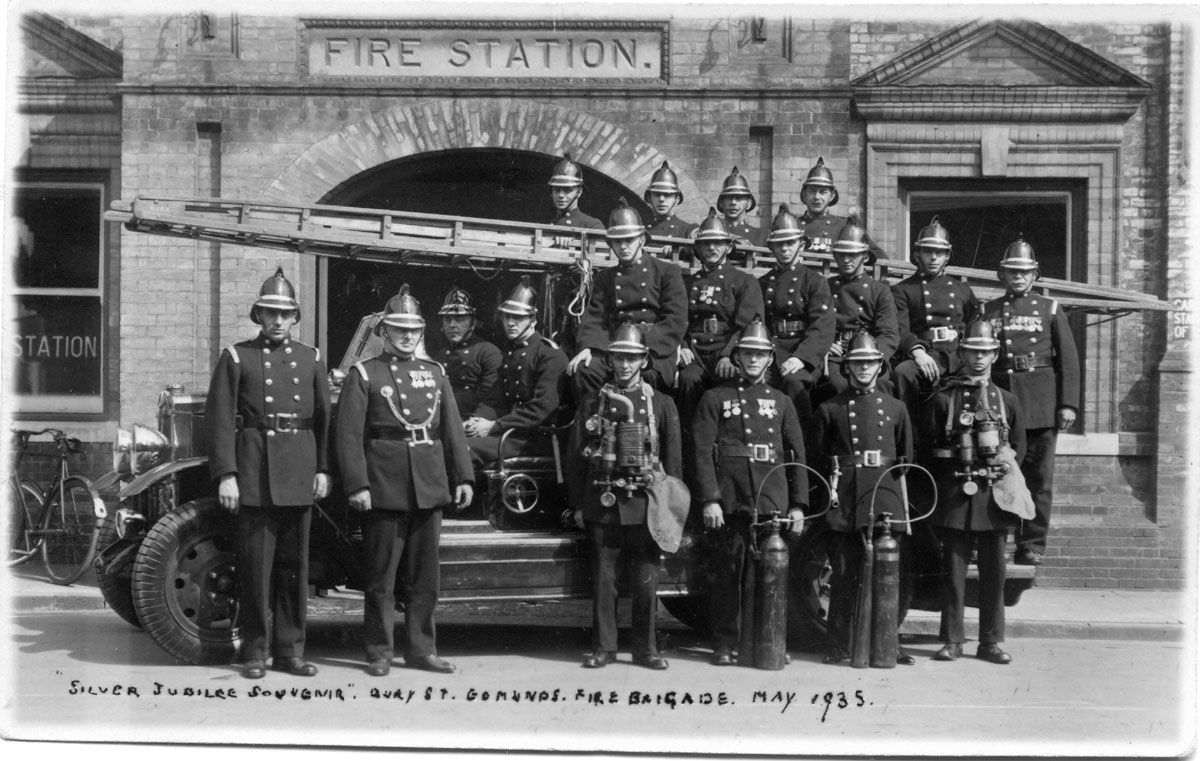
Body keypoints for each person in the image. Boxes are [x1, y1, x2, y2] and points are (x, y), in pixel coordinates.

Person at [334, 285, 474, 677]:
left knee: (425, 577)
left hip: (429, 482)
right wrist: (357, 484)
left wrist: (463, 476)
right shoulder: (365, 373)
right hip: (384, 484)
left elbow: (452, 429)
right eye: (399, 329)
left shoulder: (436, 373)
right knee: (382, 577)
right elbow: (348, 435)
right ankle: (379, 652)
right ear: (384, 331)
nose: (407, 336)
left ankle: (422, 649)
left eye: (414, 329)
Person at [205, 267, 331, 680]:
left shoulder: (311, 358)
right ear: (258, 315)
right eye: (270, 313)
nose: (278, 320)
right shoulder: (236, 356)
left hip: (298, 471)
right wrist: (227, 474)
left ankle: (290, 652)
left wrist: (323, 469)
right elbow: (220, 419)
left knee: (294, 570)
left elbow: (323, 420)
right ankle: (255, 652)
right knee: (256, 570)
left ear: (295, 317)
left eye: (285, 313)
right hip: (256, 472)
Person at [567, 323, 683, 671]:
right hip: (604, 502)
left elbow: (674, 460)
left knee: (646, 582)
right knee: (605, 581)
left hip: (646, 503)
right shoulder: (592, 402)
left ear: (644, 360)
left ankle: (646, 650)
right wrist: (577, 505)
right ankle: (604, 648)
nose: (625, 365)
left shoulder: (661, 404)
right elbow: (575, 456)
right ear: (610, 359)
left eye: (632, 358)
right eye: (619, 357)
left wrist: (670, 509)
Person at [692, 319, 807, 666]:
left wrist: (798, 504)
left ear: (770, 359)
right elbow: (701, 451)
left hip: (771, 496)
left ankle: (768, 639)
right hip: (731, 497)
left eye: (760, 354)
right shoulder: (715, 398)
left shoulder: (782, 401)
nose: (753, 360)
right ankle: (725, 643)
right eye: (747, 354)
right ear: (737, 357)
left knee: (769, 575)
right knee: (729, 573)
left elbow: (797, 455)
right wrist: (710, 498)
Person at [922, 320, 1026, 665]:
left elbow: (1019, 449)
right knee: (953, 574)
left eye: (985, 352)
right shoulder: (943, 400)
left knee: (994, 575)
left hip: (995, 498)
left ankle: (990, 642)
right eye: (972, 352)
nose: (979, 358)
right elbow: (926, 449)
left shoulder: (1007, 401)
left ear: (995, 355)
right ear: (962, 354)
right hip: (956, 496)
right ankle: (952, 640)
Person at [813, 332, 915, 666]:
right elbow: (818, 457)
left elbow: (906, 457)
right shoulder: (830, 409)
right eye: (857, 363)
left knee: (887, 575)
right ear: (847, 367)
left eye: (870, 362)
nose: (864, 368)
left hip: (884, 494)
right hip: (845, 496)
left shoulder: (897, 408)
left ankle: (887, 642)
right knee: (844, 574)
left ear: (879, 366)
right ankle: (838, 644)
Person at [984, 237, 1080, 567]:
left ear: (1035, 275)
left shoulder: (1050, 308)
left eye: (1024, 272)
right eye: (1012, 271)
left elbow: (1068, 359)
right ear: (1002, 274)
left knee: (1038, 478)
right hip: (1002, 404)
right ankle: (995, 539)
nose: (1018, 277)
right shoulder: (988, 311)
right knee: (998, 472)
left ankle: (1032, 544)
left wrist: (1067, 404)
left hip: (1041, 403)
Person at [569, 198, 688, 400]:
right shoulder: (605, 277)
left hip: (653, 350)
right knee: (584, 370)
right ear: (611, 244)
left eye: (629, 240)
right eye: (617, 241)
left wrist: (640, 350)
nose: (623, 246)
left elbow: (675, 320)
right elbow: (595, 318)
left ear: (642, 239)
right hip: (615, 349)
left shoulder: (667, 272)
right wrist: (589, 347)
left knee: (644, 376)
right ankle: (594, 418)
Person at [891, 217, 982, 435]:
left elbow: (975, 322)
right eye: (927, 252)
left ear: (947, 256)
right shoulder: (903, 290)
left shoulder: (961, 289)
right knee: (903, 372)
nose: (933, 257)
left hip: (957, 355)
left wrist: (969, 352)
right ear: (917, 254)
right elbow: (901, 329)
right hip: (926, 354)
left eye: (939, 253)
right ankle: (910, 436)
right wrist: (918, 352)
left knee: (979, 378)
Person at [464, 277, 569, 466]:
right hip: (508, 432)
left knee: (462, 449)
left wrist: (494, 426)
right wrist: (476, 421)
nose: (511, 323)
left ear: (533, 320)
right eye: (506, 317)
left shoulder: (549, 354)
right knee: (452, 440)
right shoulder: (512, 352)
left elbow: (541, 408)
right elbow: (495, 400)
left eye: (518, 318)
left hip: (532, 437)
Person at [675, 208, 765, 426]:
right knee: (687, 379)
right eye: (706, 244)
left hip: (725, 349)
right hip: (696, 350)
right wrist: (683, 346)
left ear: (729, 247)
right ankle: (690, 439)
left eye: (718, 243)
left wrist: (729, 355)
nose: (712, 248)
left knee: (732, 382)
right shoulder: (688, 283)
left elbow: (748, 325)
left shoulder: (744, 281)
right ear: (698, 248)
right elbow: (679, 319)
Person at [758, 203, 834, 430]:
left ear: (801, 245)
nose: (785, 248)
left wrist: (801, 358)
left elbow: (822, 326)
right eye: (779, 244)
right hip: (771, 351)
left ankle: (800, 444)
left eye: (790, 243)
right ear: (772, 247)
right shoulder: (763, 282)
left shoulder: (814, 281)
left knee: (794, 382)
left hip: (801, 352)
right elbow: (758, 322)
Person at [816, 215, 900, 403]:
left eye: (852, 255)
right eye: (841, 255)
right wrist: (825, 344)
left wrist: (873, 355)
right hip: (837, 354)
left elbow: (889, 334)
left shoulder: (879, 291)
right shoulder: (825, 287)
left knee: (881, 384)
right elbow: (816, 324)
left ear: (865, 256)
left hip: (870, 354)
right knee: (837, 384)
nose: (846, 260)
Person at [797, 157, 886, 261]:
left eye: (823, 192)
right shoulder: (794, 225)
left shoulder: (844, 226)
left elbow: (880, 258)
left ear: (831, 196)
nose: (817, 197)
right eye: (812, 191)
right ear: (804, 195)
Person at [434, 286, 502, 417]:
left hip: (472, 418)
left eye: (459, 320)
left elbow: (490, 399)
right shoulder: (442, 355)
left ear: (473, 323)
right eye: (447, 320)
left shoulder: (488, 352)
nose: (452, 325)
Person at [716, 166, 767, 258]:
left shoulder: (761, 236)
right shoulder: (712, 231)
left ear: (749, 203)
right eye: (728, 198)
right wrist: (733, 238)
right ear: (721, 203)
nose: (733, 202)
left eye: (739, 198)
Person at [546, 152, 604, 232]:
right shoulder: (548, 225)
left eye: (567, 190)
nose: (561, 195)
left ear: (579, 192)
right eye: (557, 190)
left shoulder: (592, 225)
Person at [642, 160, 698, 240]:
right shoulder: (640, 232)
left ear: (677, 200)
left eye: (667, 195)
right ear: (649, 198)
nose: (661, 199)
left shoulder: (687, 231)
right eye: (657, 194)